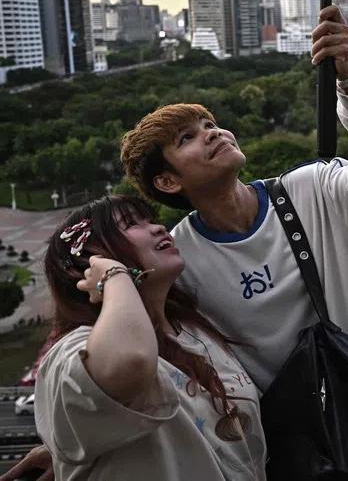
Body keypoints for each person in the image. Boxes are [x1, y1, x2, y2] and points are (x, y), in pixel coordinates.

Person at [115, 5, 348, 479]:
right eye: (189, 138)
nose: (213, 133)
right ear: (169, 182)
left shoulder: (314, 190)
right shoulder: (181, 260)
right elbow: (153, 355)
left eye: (209, 124)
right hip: (294, 447)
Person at [35, 196, 265, 480]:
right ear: (90, 260)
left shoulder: (195, 328)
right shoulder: (74, 349)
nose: (158, 228)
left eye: (152, 220)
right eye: (132, 224)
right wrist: (114, 275)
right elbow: (130, 361)